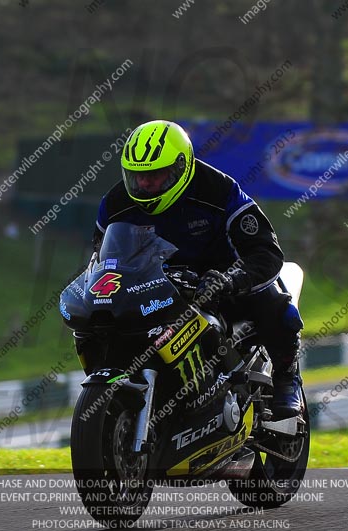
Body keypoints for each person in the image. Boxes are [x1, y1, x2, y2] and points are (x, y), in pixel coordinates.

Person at [86, 119, 304, 420]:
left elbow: (265, 251)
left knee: (273, 299)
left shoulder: (219, 190)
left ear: (180, 168)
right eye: (137, 177)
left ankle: (286, 376)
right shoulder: (114, 203)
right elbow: (100, 257)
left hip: (221, 281)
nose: (145, 185)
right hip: (155, 286)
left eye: (155, 176)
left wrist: (231, 280)